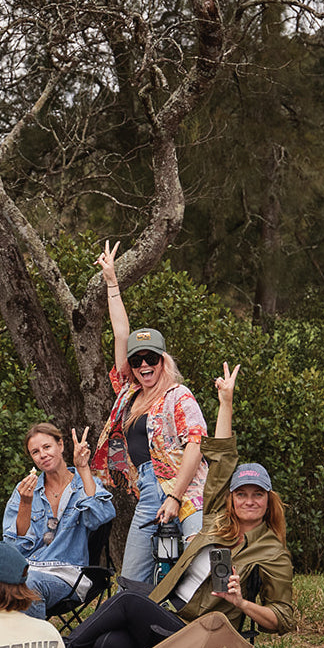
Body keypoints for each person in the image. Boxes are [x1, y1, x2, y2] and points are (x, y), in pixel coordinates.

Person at [65, 363, 297, 648]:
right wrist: (225, 402)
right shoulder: (213, 524)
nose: (248, 501)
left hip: (200, 641)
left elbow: (284, 618)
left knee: (128, 603)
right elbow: (221, 457)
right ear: (230, 498)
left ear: (268, 501)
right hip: (165, 621)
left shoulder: (272, 553)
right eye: (241, 493)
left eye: (257, 495)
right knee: (109, 645)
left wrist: (242, 604)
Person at [91, 241, 209, 584]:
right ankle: (144, 633)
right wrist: (111, 282)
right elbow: (120, 334)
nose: (144, 364)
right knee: (133, 578)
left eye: (151, 359)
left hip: (185, 488)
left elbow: (196, 446)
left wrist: (174, 495)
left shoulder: (177, 395)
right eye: (137, 359)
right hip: (147, 488)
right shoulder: (128, 395)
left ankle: (205, 630)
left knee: (197, 564)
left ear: (163, 361)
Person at [3, 422, 116, 620]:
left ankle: (40, 646)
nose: (43, 455)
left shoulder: (85, 483)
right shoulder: (25, 491)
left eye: (47, 447)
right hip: (29, 569)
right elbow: (15, 548)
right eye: (35, 452)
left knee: (28, 585)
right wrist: (26, 503)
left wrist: (83, 468)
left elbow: (101, 517)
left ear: (61, 445)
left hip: (69, 574)